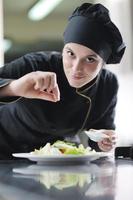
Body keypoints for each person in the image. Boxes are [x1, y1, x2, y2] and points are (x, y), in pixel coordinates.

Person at [0, 3, 125, 159]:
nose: (76, 68)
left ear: (103, 64)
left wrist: (105, 142)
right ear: (63, 49)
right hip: (4, 149)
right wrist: (14, 87)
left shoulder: (107, 85)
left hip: (56, 156)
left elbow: (99, 135)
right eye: (70, 53)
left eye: (90, 59)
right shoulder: (35, 65)